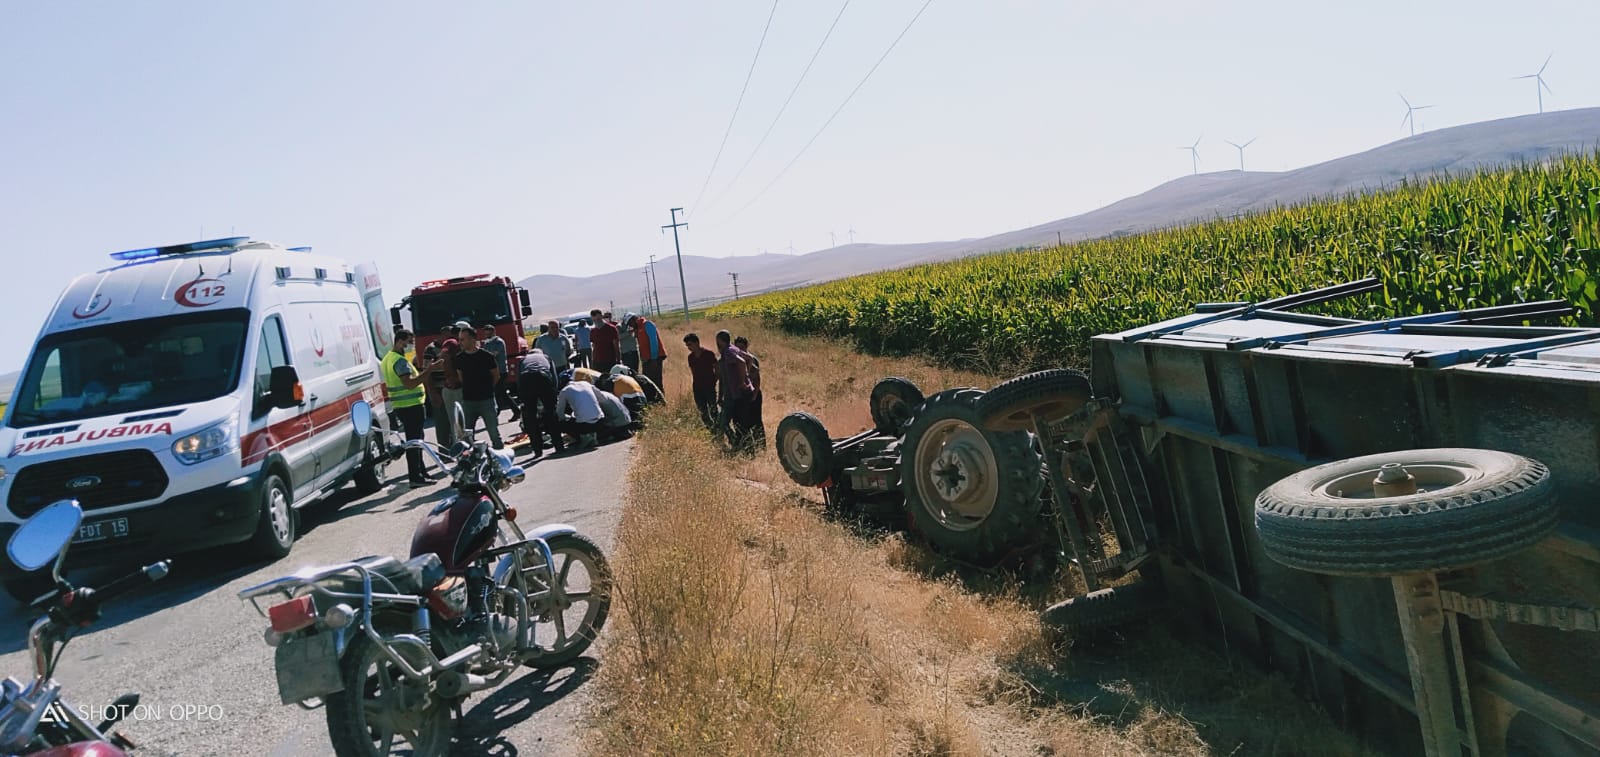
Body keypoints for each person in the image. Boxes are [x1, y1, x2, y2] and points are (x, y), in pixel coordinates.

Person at [382, 329, 434, 487]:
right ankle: (416, 477)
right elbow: (409, 383)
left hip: (403, 406)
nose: (411, 346)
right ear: (399, 341)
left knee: (416, 441)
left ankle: (421, 472)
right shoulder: (399, 361)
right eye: (409, 342)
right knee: (414, 443)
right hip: (411, 406)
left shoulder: (388, 358)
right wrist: (429, 371)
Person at [452, 323, 503, 448]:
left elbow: (496, 375)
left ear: (472, 339)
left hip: (487, 400)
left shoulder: (486, 356)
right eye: (459, 339)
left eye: (463, 339)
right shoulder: (460, 358)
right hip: (468, 401)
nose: (460, 342)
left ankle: (500, 459)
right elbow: (461, 377)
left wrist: (488, 388)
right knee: (467, 435)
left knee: (493, 432)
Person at [715, 330, 757, 453]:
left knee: (725, 422)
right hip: (735, 393)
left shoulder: (728, 351)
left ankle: (738, 444)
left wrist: (743, 380)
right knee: (739, 422)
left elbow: (743, 361)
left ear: (720, 341)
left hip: (736, 393)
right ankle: (742, 446)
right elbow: (749, 358)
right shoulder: (732, 349)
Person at [517, 347, 563, 457]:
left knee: (530, 417)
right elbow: (554, 377)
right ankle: (559, 446)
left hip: (526, 379)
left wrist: (522, 397)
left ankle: (537, 450)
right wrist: (554, 393)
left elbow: (519, 379)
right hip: (542, 377)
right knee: (551, 414)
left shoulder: (523, 360)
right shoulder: (546, 357)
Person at [427, 324, 461, 448]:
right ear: (442, 334)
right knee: (442, 423)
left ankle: (458, 448)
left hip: (453, 388)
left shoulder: (454, 346)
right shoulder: (430, 349)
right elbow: (427, 372)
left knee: (456, 420)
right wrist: (432, 393)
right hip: (438, 389)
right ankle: (444, 451)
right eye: (447, 334)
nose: (449, 337)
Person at [477, 325, 519, 423]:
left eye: (488, 332)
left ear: (493, 332)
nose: (486, 334)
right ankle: (509, 411)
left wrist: (480, 353)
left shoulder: (498, 342)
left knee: (500, 393)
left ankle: (511, 411)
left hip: (501, 371)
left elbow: (493, 355)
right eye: (485, 333)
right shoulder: (487, 343)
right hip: (491, 371)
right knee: (499, 393)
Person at [734, 336, 766, 449]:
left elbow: (757, 379)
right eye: (737, 347)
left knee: (756, 421)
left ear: (746, 346)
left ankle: (761, 446)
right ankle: (748, 446)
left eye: (742, 347)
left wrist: (755, 395)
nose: (740, 350)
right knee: (744, 421)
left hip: (753, 394)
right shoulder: (736, 359)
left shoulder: (752, 359)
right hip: (742, 395)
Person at [556, 375, 605, 448]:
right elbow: (602, 397)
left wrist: (563, 420)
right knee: (588, 416)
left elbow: (560, 411)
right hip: (600, 421)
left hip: (584, 426)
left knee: (561, 423)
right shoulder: (585, 383)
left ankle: (585, 437)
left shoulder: (564, 391)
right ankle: (593, 437)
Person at [684, 333, 719, 429]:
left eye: (690, 344)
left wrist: (713, 381)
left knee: (713, 410)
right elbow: (693, 372)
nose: (689, 347)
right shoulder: (690, 358)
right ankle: (710, 429)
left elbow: (717, 369)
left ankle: (719, 428)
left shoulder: (709, 354)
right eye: (687, 346)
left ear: (697, 343)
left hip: (709, 386)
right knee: (702, 411)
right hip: (697, 388)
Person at [628, 314, 667, 395]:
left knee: (656, 381)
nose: (630, 326)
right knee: (648, 381)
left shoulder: (647, 324)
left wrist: (653, 359)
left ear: (633, 320)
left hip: (654, 358)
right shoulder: (638, 328)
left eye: (630, 323)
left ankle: (661, 400)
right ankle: (653, 400)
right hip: (646, 359)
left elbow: (654, 342)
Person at [590, 308, 620, 374]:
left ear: (601, 316)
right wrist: (593, 362)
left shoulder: (611, 328)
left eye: (598, 319)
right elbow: (594, 347)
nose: (596, 322)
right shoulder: (593, 331)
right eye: (594, 320)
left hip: (610, 361)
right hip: (598, 363)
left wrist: (618, 360)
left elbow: (616, 346)